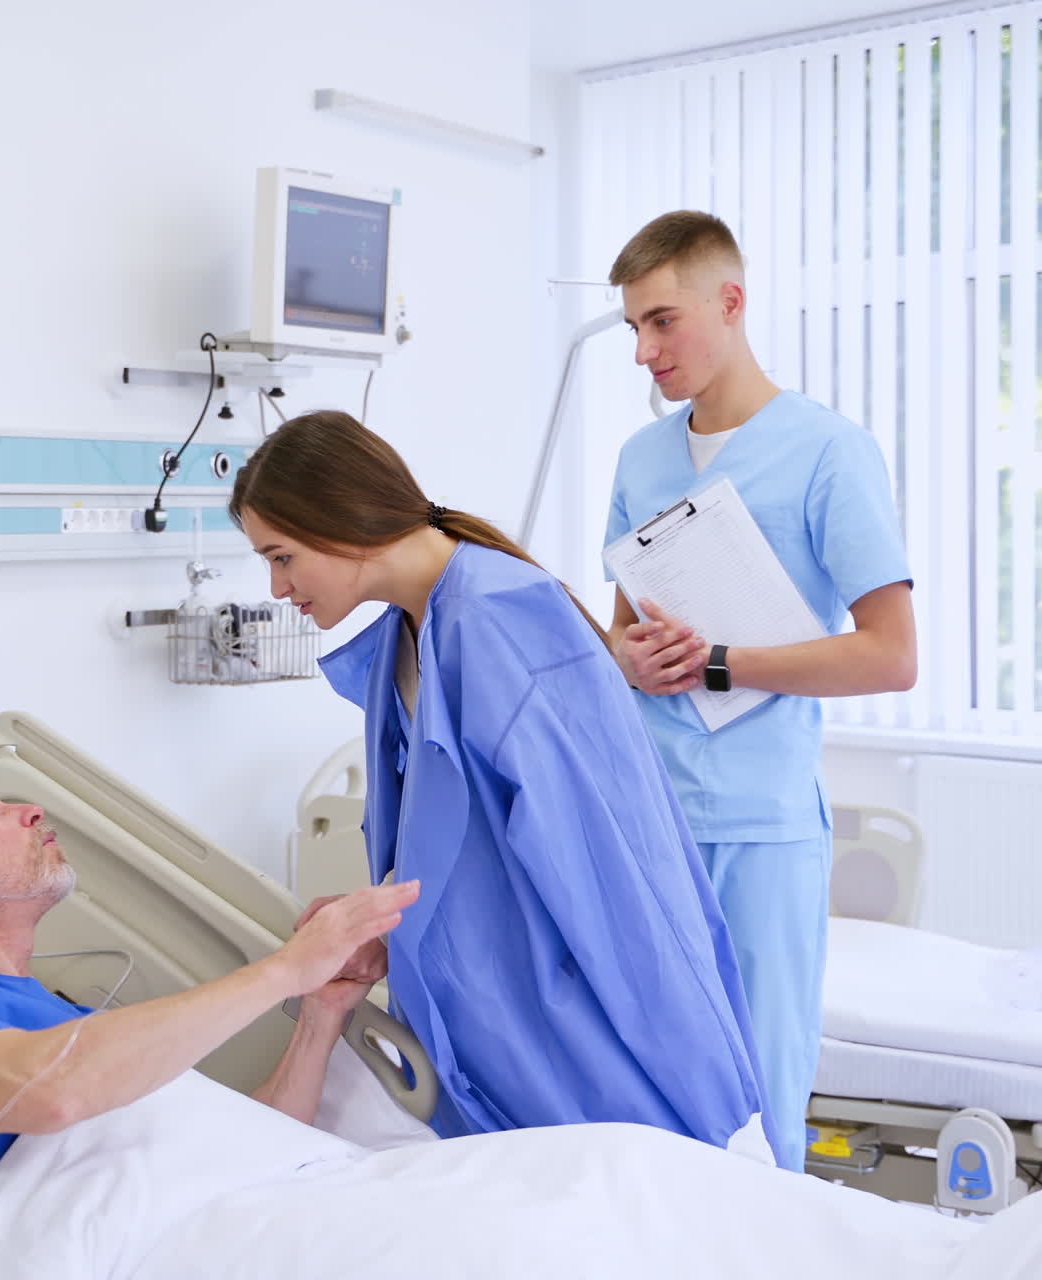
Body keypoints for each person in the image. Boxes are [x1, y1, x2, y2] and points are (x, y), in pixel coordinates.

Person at [229, 409, 778, 1164]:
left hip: (566, 1022)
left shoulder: (498, 616)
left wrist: (686, 1053)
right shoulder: (409, 631)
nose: (276, 585)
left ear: (338, 521)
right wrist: (374, 923)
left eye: (282, 556)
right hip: (489, 1017)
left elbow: (615, 867)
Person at [603, 211, 916, 1171]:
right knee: (653, 1095)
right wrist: (627, 661)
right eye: (634, 331)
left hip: (761, 825)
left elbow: (889, 655)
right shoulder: (640, 460)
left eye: (663, 322)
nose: (647, 352)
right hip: (653, 819)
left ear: (730, 303)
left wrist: (724, 662)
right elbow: (622, 634)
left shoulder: (828, 452)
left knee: (760, 1106)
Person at [0, 764, 419, 1252]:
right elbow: (54, 1092)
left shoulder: (75, 1023)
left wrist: (319, 1013)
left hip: (254, 1214)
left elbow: (248, 1142)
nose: (31, 810)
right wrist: (284, 969)